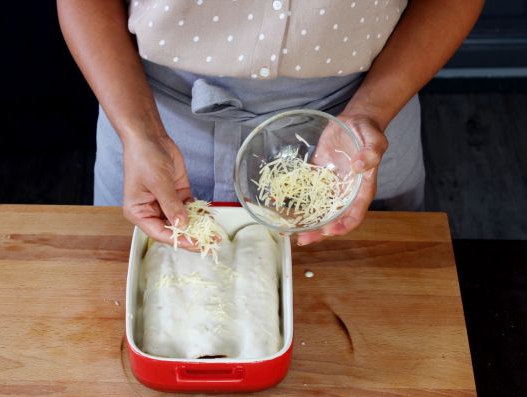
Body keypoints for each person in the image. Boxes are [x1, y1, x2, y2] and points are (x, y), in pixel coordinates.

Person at [57, 0, 482, 247]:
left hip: (356, 131)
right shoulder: (146, 130)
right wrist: (140, 132)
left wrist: (369, 111)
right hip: (155, 122)